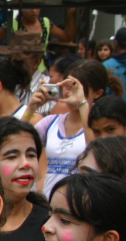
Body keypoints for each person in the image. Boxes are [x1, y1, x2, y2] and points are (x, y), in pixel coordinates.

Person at [34, 59, 112, 195]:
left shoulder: (102, 126)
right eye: (67, 86)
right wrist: (30, 109)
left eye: (76, 88)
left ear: (98, 93)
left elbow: (98, 155)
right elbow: (13, 139)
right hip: (48, 203)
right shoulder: (51, 122)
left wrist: (82, 104)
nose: (69, 93)